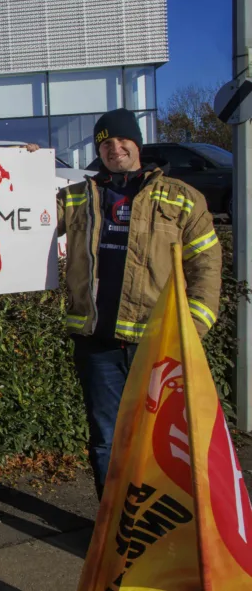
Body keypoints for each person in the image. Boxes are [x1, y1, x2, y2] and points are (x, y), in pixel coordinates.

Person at [51, 108, 222, 499]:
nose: (115, 148)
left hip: (159, 348)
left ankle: (159, 536)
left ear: (137, 143)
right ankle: (115, 535)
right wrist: (21, 167)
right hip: (98, 344)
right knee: (107, 440)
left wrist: (191, 329)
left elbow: (207, 268)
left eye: (122, 140)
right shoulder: (76, 197)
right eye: (105, 143)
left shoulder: (181, 198)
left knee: (164, 442)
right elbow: (25, 215)